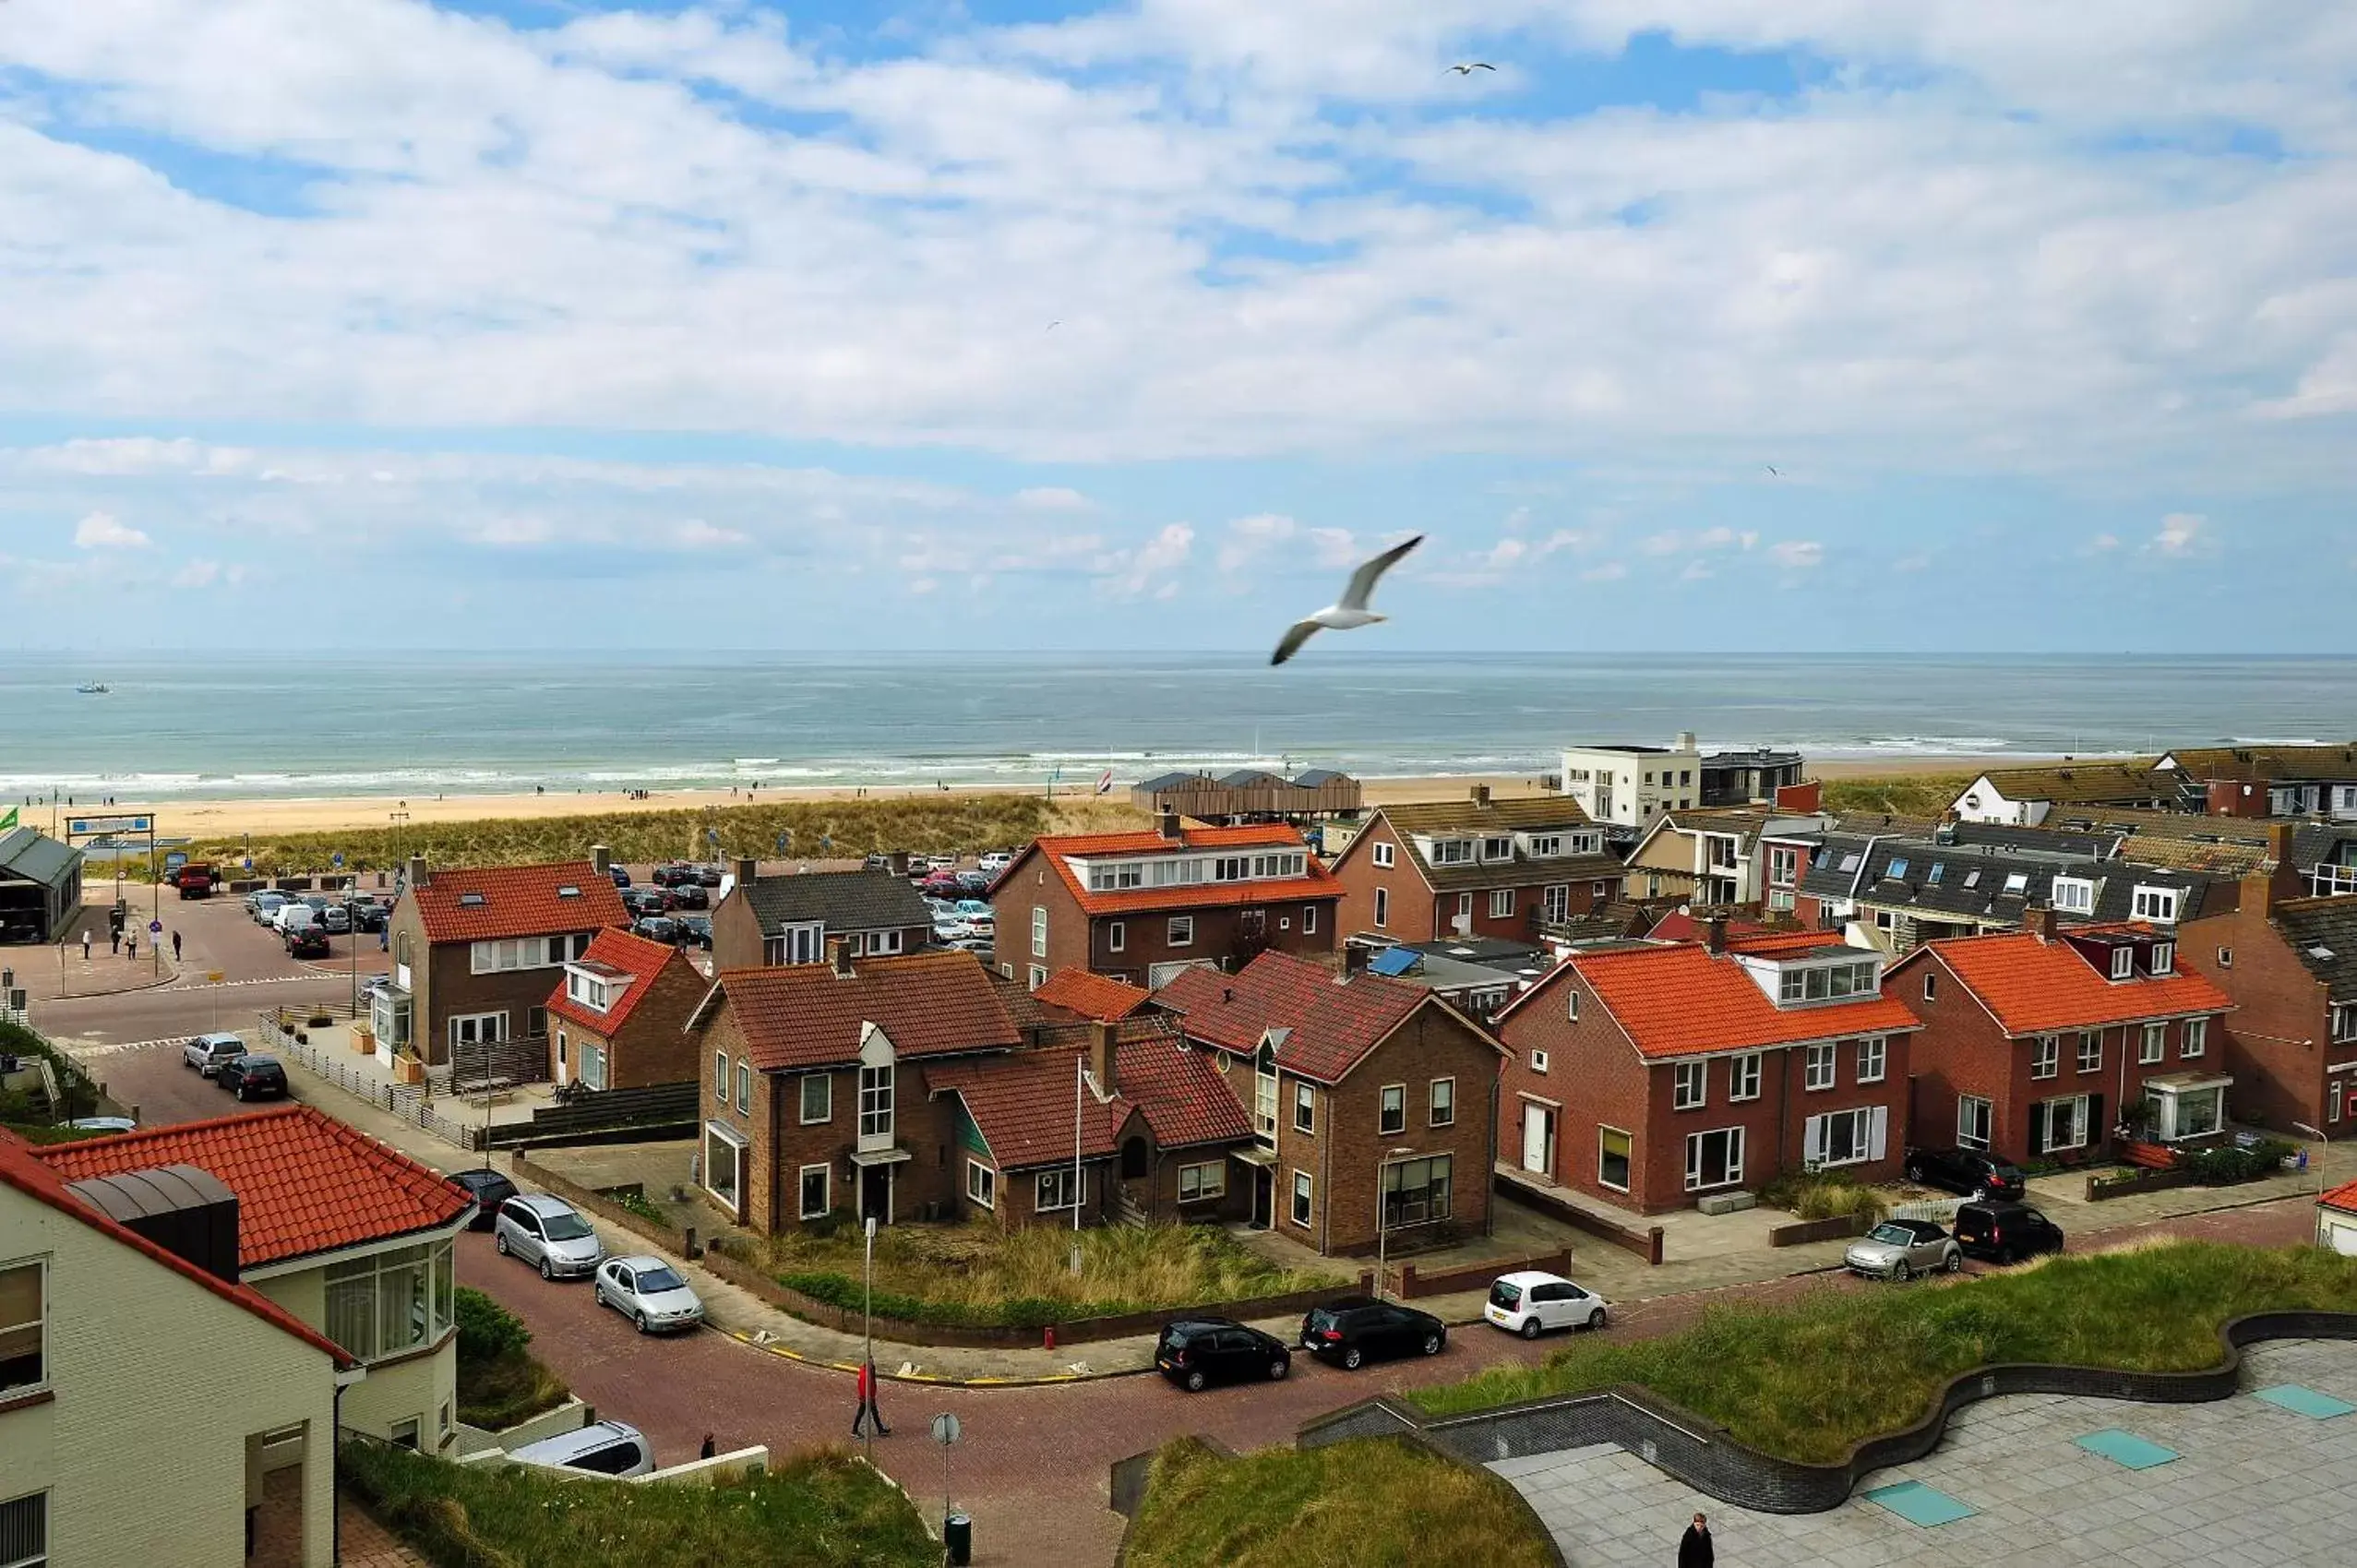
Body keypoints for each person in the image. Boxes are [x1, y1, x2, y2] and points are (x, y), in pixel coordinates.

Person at [852, 1358, 890, 1438]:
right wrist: (867, 1398)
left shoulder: (867, 1371)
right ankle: (854, 1430)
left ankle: (880, 1429)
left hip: (869, 1396)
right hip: (866, 1397)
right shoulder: (866, 1374)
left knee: (872, 1412)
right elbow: (863, 1387)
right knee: (863, 1412)